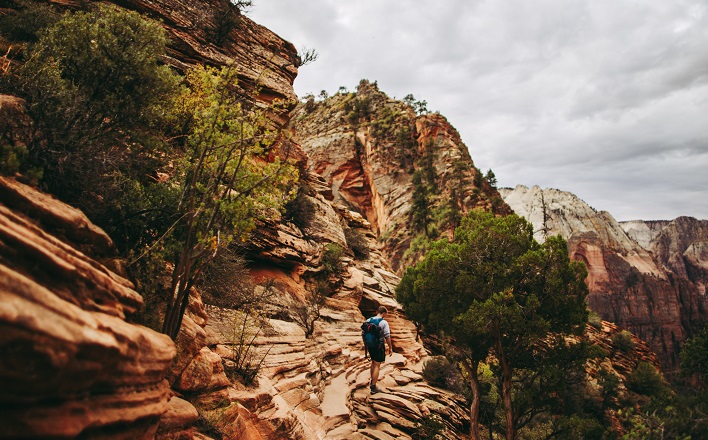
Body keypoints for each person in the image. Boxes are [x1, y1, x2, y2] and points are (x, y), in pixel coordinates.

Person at [362, 306, 393, 394]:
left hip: (370, 345)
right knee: (377, 365)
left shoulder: (368, 320)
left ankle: (372, 382)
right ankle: (373, 386)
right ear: (383, 313)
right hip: (378, 346)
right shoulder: (383, 322)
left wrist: (366, 345)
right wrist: (390, 348)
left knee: (373, 362)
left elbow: (363, 333)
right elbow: (387, 336)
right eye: (385, 314)